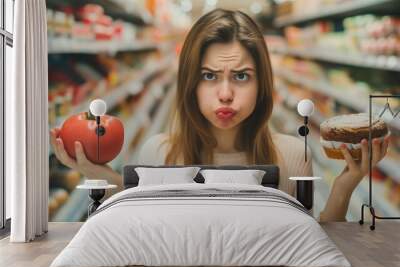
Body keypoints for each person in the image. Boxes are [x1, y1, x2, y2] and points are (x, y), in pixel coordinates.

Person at [50, 9, 390, 222]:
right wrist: (96, 172)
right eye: (209, 75)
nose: (225, 93)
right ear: (190, 84)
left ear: (261, 84)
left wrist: (344, 186)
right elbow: (137, 211)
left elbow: (311, 244)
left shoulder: (291, 155)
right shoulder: (158, 152)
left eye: (241, 76)